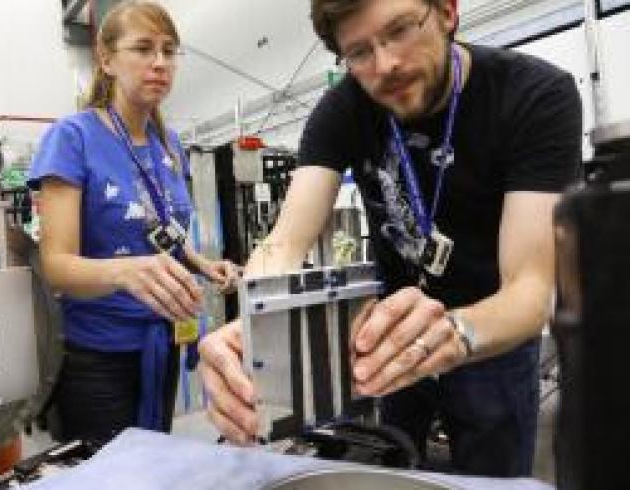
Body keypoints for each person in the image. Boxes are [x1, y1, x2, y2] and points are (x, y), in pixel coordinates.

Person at [198, 0, 581, 477]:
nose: (386, 66)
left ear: (446, 11)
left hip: (490, 339)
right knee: (392, 466)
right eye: (358, 52)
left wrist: (456, 333)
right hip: (387, 339)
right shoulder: (345, 109)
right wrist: (255, 324)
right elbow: (283, 243)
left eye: (400, 30)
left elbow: (530, 289)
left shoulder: (534, 95)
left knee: (491, 474)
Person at [27, 1, 239, 444]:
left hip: (162, 342)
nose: (160, 63)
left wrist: (203, 264)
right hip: (99, 357)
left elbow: (162, 233)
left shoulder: (170, 144)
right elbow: (56, 266)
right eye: (143, 49)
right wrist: (125, 272)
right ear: (106, 60)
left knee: (155, 463)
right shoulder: (73, 138)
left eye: (169, 50)